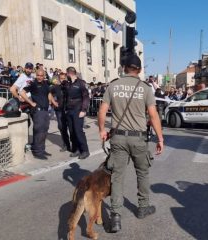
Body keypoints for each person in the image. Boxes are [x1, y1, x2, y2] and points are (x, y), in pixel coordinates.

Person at [97, 55, 163, 233]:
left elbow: (102, 111)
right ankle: (143, 208)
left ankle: (116, 216)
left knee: (117, 176)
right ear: (140, 70)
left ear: (124, 67)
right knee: (142, 173)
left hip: (118, 138)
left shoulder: (113, 86)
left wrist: (102, 130)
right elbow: (153, 115)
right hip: (139, 138)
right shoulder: (145, 88)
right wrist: (160, 138)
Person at [19, 69, 53, 160]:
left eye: (41, 75)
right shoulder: (33, 84)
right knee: (39, 131)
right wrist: (30, 102)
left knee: (44, 131)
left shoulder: (45, 84)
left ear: (44, 76)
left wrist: (50, 102)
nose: (39, 77)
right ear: (36, 75)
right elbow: (22, 92)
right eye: (38, 75)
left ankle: (42, 149)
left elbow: (48, 93)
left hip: (45, 110)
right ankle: (37, 152)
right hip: (38, 111)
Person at [65, 67, 90, 159]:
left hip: (78, 109)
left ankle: (85, 150)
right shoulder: (68, 84)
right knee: (71, 131)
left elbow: (86, 97)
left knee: (78, 131)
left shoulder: (81, 83)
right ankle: (76, 149)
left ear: (69, 73)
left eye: (66, 74)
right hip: (69, 110)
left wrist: (83, 110)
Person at [50, 72, 72, 152]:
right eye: (61, 78)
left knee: (72, 128)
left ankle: (74, 145)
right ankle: (66, 145)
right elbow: (49, 93)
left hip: (69, 110)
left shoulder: (69, 87)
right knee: (62, 127)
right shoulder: (55, 87)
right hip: (59, 111)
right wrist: (53, 101)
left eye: (64, 78)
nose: (63, 80)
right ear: (59, 79)